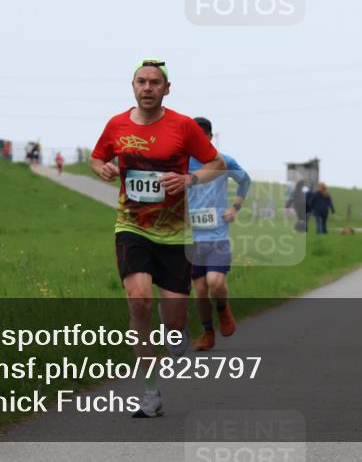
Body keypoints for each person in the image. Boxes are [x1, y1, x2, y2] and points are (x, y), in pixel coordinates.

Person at [90, 59, 225, 418]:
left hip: (174, 232)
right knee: (138, 301)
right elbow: (97, 157)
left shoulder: (182, 125)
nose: (147, 88)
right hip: (131, 225)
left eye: (155, 83)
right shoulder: (116, 124)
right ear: (132, 86)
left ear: (167, 89)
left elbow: (216, 165)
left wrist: (189, 180)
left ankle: (176, 329)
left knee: (176, 320)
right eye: (141, 82)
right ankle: (150, 394)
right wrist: (102, 167)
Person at [187, 116, 251, 352]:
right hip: (192, 238)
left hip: (218, 236)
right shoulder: (182, 163)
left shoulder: (224, 161)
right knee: (200, 291)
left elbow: (245, 181)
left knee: (215, 282)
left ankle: (223, 310)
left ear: (210, 137)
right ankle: (207, 333)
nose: (199, 140)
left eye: (203, 136)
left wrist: (235, 207)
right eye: (194, 136)